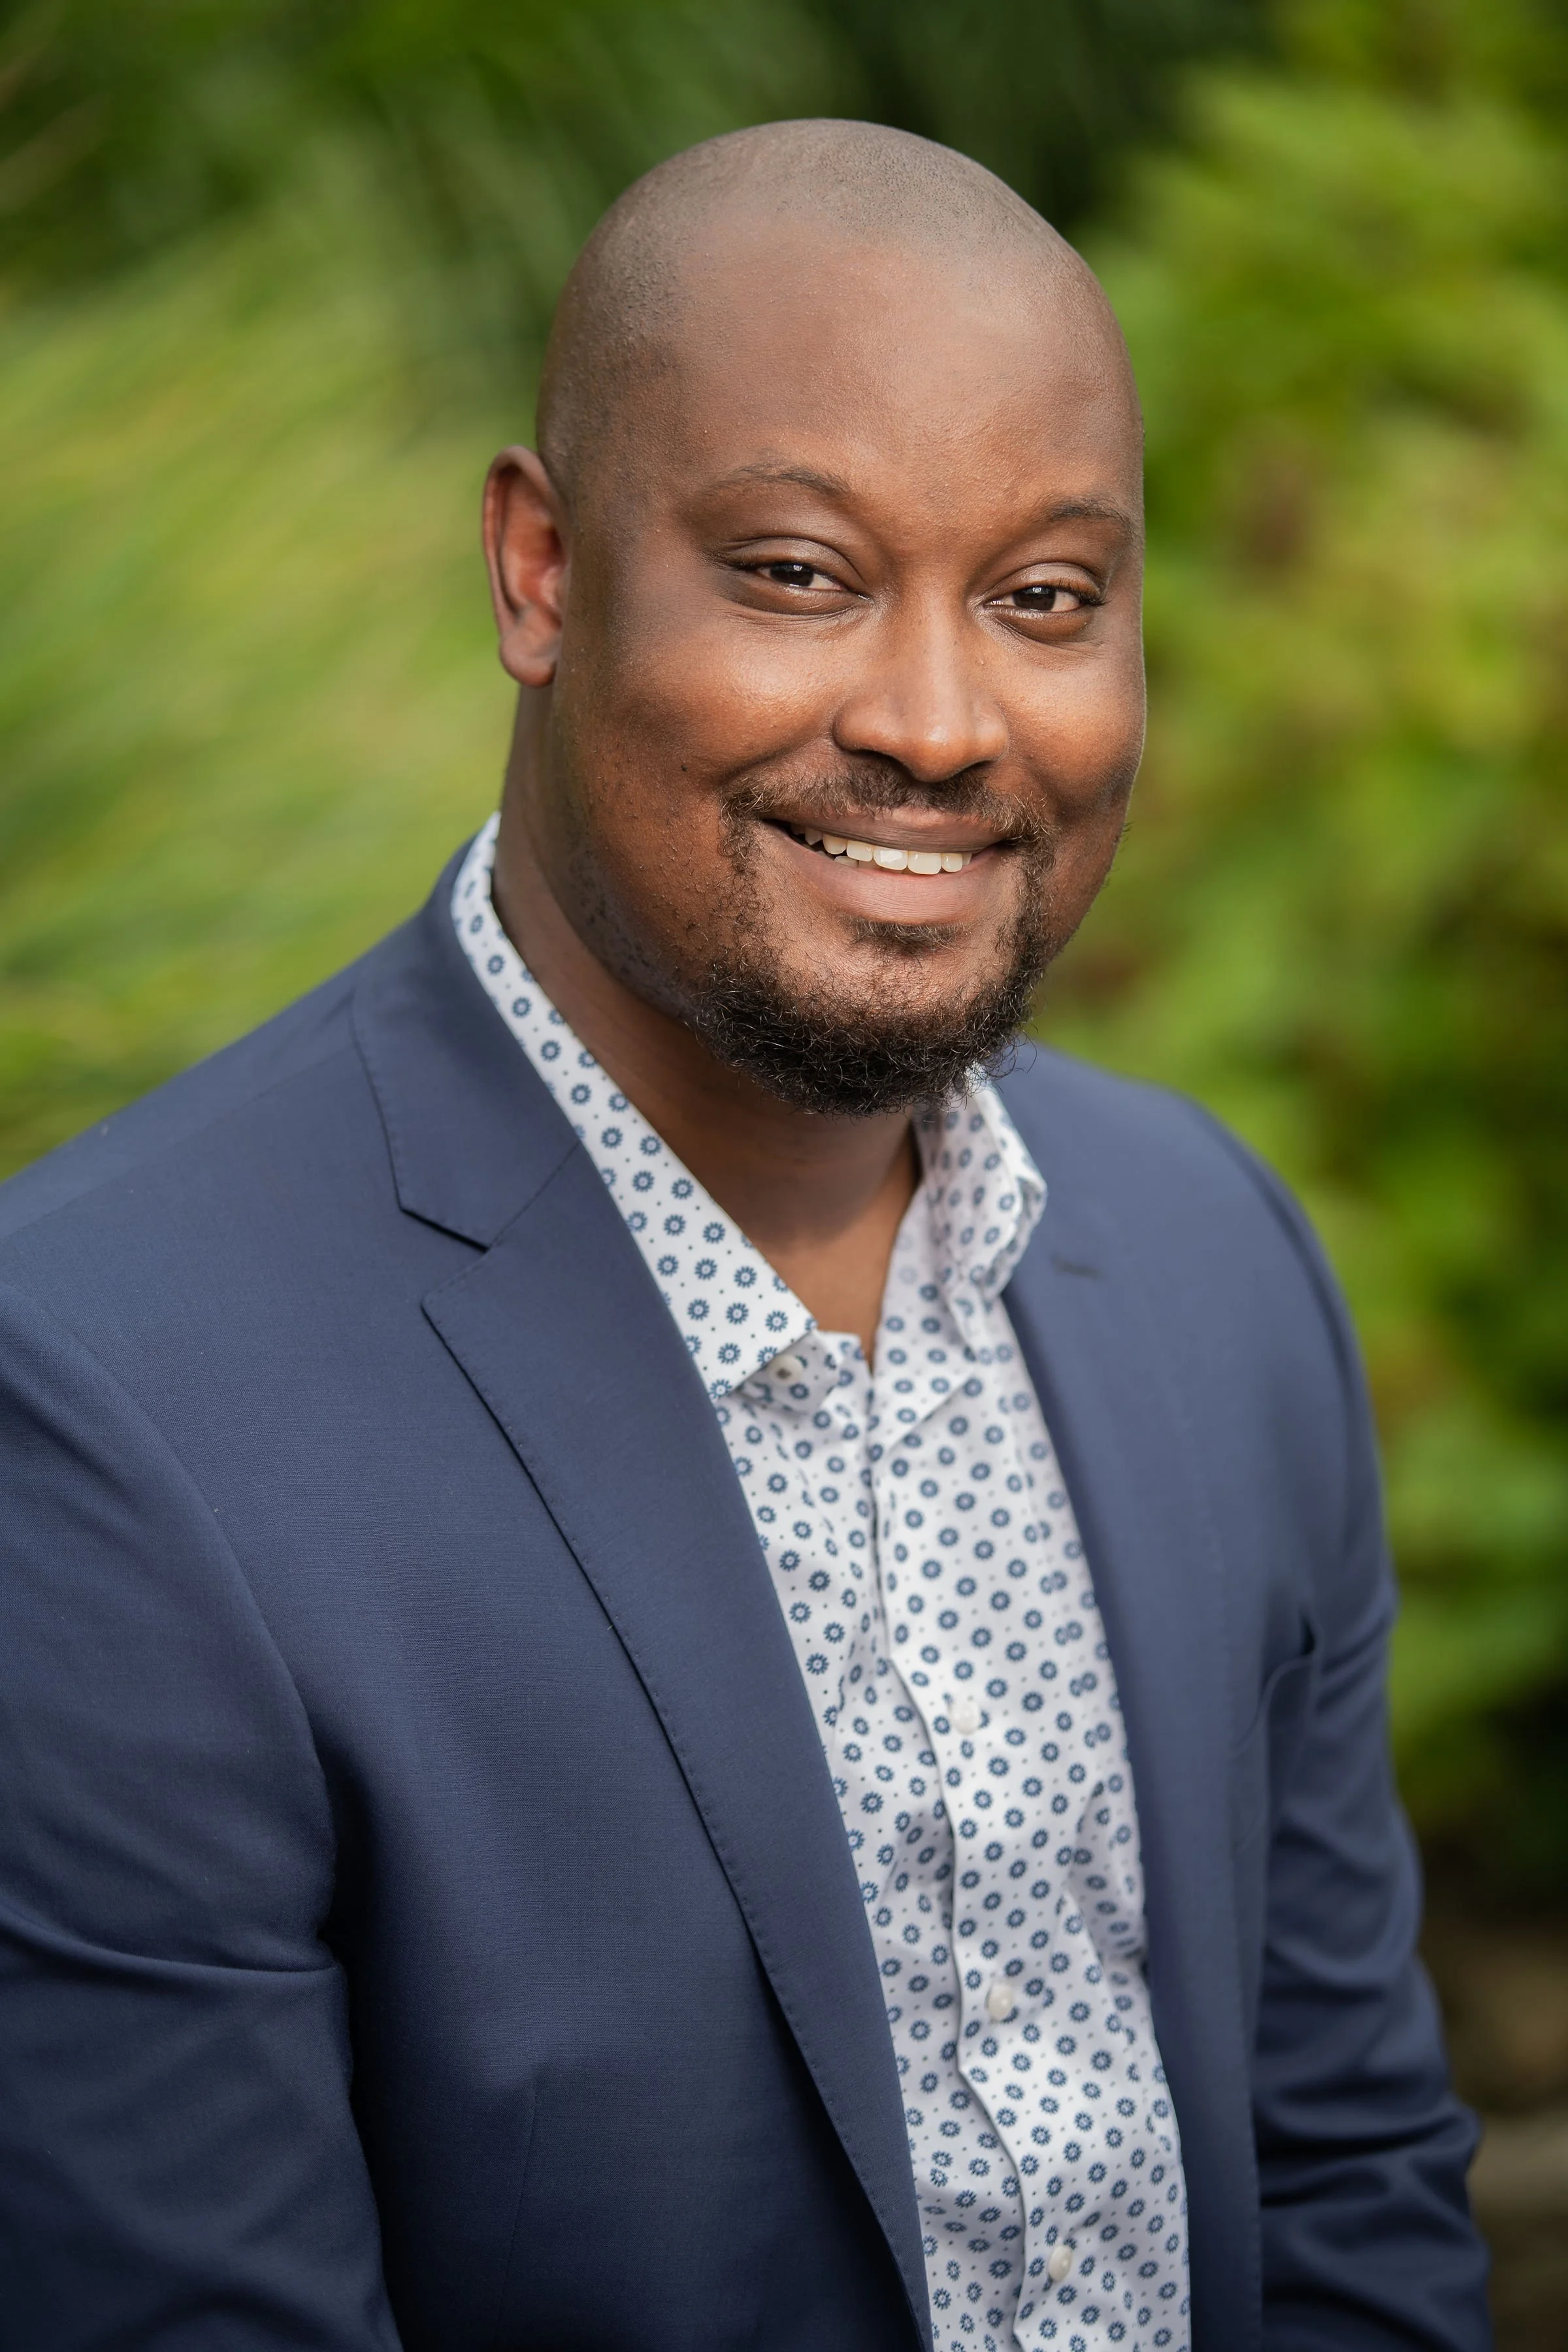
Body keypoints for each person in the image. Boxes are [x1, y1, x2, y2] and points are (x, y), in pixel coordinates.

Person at [0, 120, 1488, 2352]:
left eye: (1048, 597)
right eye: (798, 572)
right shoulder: (111, 1400)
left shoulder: (1214, 1266)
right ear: (542, 567)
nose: (936, 720)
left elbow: (1352, 2174)